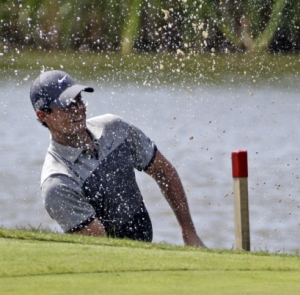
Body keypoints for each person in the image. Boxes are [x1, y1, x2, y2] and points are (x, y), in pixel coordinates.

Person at [30, 69, 205, 247]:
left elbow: (163, 171)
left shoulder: (114, 128)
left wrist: (189, 233)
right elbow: (102, 248)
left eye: (79, 100)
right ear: (43, 115)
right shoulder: (57, 183)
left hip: (144, 246)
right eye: (67, 105)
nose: (78, 109)